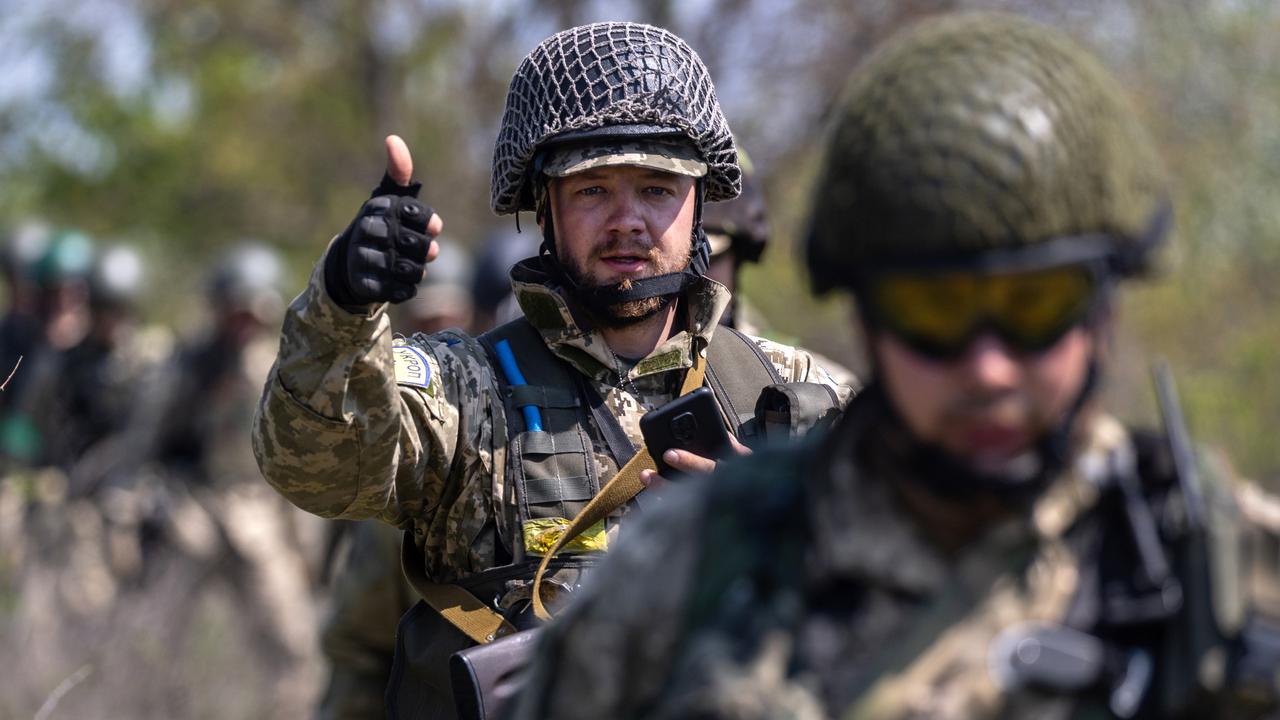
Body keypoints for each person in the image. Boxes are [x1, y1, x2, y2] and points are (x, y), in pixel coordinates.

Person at [508, 13, 1280, 719]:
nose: (988, 371)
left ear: (1104, 311)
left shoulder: (1230, 571)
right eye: (932, 311)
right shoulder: (684, 571)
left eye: (1036, 304)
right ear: (866, 318)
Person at [253, 20, 853, 717]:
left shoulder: (809, 396)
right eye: (592, 189)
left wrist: (789, 536)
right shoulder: (464, 390)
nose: (627, 220)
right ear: (546, 206)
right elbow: (310, 464)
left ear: (699, 204)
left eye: (658, 188)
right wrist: (340, 306)